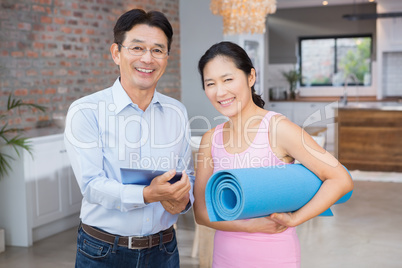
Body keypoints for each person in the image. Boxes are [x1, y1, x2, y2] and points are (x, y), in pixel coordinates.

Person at [193, 41, 354, 268]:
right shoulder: (210, 139)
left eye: (228, 79)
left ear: (250, 77)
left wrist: (296, 218)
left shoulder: (278, 128)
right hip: (225, 256)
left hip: (274, 256)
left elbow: (341, 179)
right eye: (210, 83)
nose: (220, 91)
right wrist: (251, 226)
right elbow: (201, 212)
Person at [64, 9, 194, 268]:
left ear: (167, 57)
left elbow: (187, 175)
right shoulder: (86, 111)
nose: (148, 58)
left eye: (158, 50)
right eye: (137, 48)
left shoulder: (177, 111)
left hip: (164, 250)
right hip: (103, 252)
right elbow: (91, 185)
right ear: (116, 53)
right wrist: (147, 194)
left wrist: (182, 198)